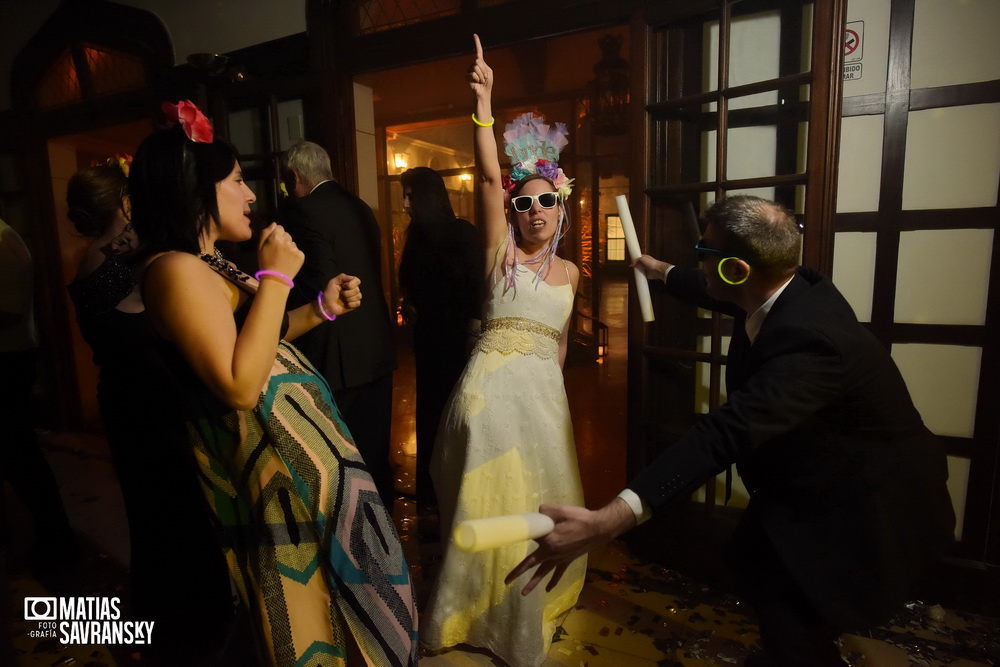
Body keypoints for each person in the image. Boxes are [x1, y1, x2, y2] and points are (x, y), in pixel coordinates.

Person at [507, 194, 956, 666]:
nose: (697, 263)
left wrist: (610, 519)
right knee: (753, 564)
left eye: (704, 255)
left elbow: (723, 434)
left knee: (794, 617)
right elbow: (711, 288)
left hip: (871, 503)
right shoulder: (792, 285)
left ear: (737, 270)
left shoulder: (812, 342)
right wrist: (659, 269)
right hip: (816, 479)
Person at [131, 100, 418, 666]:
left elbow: (262, 337)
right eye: (237, 181)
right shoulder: (173, 270)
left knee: (357, 606)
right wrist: (278, 276)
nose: (252, 194)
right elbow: (239, 383)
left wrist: (320, 309)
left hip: (307, 469)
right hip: (271, 484)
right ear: (195, 187)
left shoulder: (212, 262)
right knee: (303, 617)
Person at [421, 35, 585, 667]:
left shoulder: (572, 275)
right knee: (485, 503)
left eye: (547, 199)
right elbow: (489, 173)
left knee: (535, 506)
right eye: (524, 201)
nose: (535, 208)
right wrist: (484, 104)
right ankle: (470, 613)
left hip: (543, 404)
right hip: (489, 399)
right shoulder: (501, 256)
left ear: (561, 205)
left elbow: (563, 346)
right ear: (512, 210)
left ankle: (521, 614)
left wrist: (556, 403)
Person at [64, 161, 241, 664]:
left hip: (123, 405)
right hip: (152, 409)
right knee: (181, 522)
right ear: (124, 203)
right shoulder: (123, 262)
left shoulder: (91, 259)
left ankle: (166, 627)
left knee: (153, 524)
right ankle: (192, 633)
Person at [279, 141, 398, 508]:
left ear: (294, 176)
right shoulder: (361, 207)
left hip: (333, 352)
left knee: (339, 457)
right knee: (375, 451)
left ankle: (352, 540)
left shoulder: (301, 211)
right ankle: (385, 538)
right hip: (376, 345)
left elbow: (317, 283)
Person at [398, 166, 483, 514]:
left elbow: (477, 288)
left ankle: (461, 497)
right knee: (430, 418)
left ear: (428, 197)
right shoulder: (415, 236)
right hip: (430, 339)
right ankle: (433, 500)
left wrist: (474, 335)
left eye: (410, 196)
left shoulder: (462, 232)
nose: (405, 204)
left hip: (459, 341)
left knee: (460, 416)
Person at [0, 214, 77, 568]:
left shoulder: (5, 243)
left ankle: (55, 539)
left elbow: (9, 311)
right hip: (10, 357)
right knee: (19, 453)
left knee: (20, 453)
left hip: (7, 359)